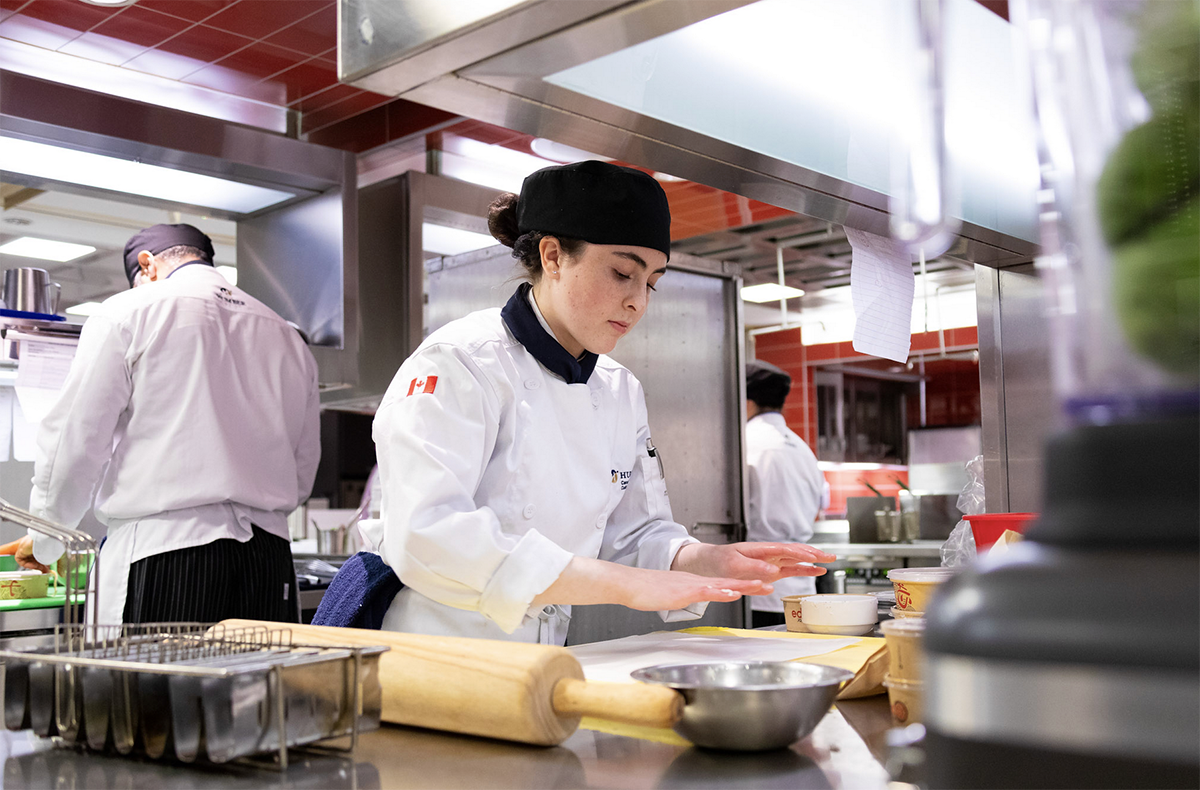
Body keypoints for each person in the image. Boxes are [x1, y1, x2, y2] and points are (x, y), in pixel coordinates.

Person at [357, 160, 835, 645]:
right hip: (431, 656)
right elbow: (428, 537)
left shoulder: (619, 388)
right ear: (553, 256)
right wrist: (622, 585)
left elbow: (634, 534)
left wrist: (702, 561)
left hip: (541, 662)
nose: (638, 302)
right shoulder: (460, 363)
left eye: (651, 282)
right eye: (623, 273)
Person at [15, 223, 321, 625]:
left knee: (148, 687)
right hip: (267, 562)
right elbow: (303, 467)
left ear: (148, 265)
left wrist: (47, 538)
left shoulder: (127, 311)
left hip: (166, 554)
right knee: (255, 687)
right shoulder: (288, 336)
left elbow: (74, 443)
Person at [743, 360, 830, 628]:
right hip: (802, 589)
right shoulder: (803, 449)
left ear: (746, 401)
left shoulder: (745, 443)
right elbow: (822, 504)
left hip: (759, 590)